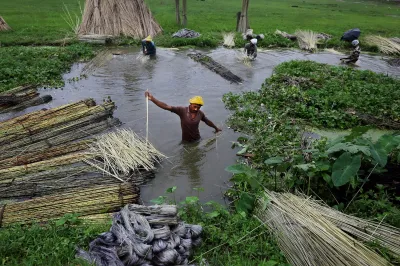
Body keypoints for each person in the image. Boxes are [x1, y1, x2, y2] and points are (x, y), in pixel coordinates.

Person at [145, 92, 222, 142]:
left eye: (198, 107)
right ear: (190, 104)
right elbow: (166, 106)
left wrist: (216, 128)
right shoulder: (182, 110)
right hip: (185, 141)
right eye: (195, 106)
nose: (196, 109)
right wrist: (152, 99)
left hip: (197, 140)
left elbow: (207, 121)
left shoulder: (200, 113)